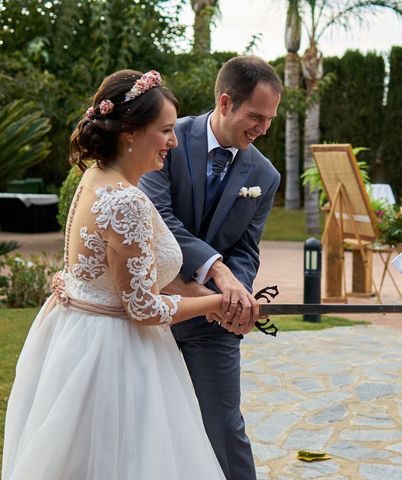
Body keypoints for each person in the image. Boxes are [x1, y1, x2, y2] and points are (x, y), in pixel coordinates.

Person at [1, 70, 243, 479]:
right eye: (165, 130)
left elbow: (101, 274)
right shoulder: (126, 200)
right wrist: (217, 303)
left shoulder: (92, 178)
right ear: (130, 132)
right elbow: (143, 307)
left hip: (74, 338)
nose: (173, 141)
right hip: (118, 357)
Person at [138, 55, 282, 480]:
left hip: (211, 324)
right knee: (147, 426)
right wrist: (218, 273)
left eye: (270, 119)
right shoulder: (165, 140)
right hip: (149, 312)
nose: (262, 129)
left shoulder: (265, 175)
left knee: (224, 428)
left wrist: (236, 296)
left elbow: (246, 249)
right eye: (256, 116)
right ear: (225, 102)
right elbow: (159, 219)